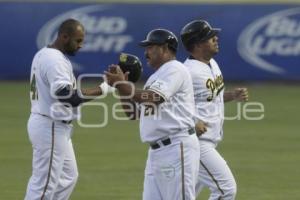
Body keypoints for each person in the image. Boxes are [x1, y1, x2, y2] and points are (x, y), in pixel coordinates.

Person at [105, 29, 200, 200]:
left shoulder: (175, 69)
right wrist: (122, 87)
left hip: (177, 148)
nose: (146, 52)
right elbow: (134, 113)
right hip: (157, 153)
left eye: (150, 47)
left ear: (164, 48)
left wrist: (122, 84)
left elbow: (154, 98)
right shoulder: (156, 77)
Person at [25, 18, 114, 200]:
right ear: (64, 37)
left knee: (67, 178)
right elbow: (68, 97)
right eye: (78, 40)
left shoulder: (44, 53)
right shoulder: (54, 60)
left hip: (54, 125)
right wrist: (104, 88)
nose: (81, 45)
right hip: (50, 125)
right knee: (43, 186)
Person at [180, 19, 249, 200]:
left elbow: (210, 98)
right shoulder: (187, 72)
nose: (216, 38)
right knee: (225, 189)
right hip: (196, 142)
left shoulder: (212, 64)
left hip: (210, 140)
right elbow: (171, 104)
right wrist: (193, 121)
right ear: (197, 44)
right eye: (210, 37)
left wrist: (232, 95)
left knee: (184, 196)